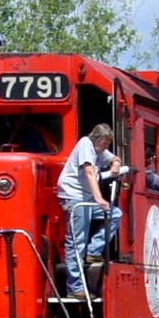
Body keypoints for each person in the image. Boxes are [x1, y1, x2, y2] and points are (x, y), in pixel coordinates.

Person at [56, 123, 122, 298]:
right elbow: (89, 172)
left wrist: (115, 163)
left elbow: (114, 158)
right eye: (106, 143)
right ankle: (75, 288)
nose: (106, 147)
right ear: (98, 139)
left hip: (85, 198)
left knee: (114, 214)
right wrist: (99, 198)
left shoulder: (98, 150)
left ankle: (93, 251)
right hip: (74, 197)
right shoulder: (86, 144)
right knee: (77, 242)